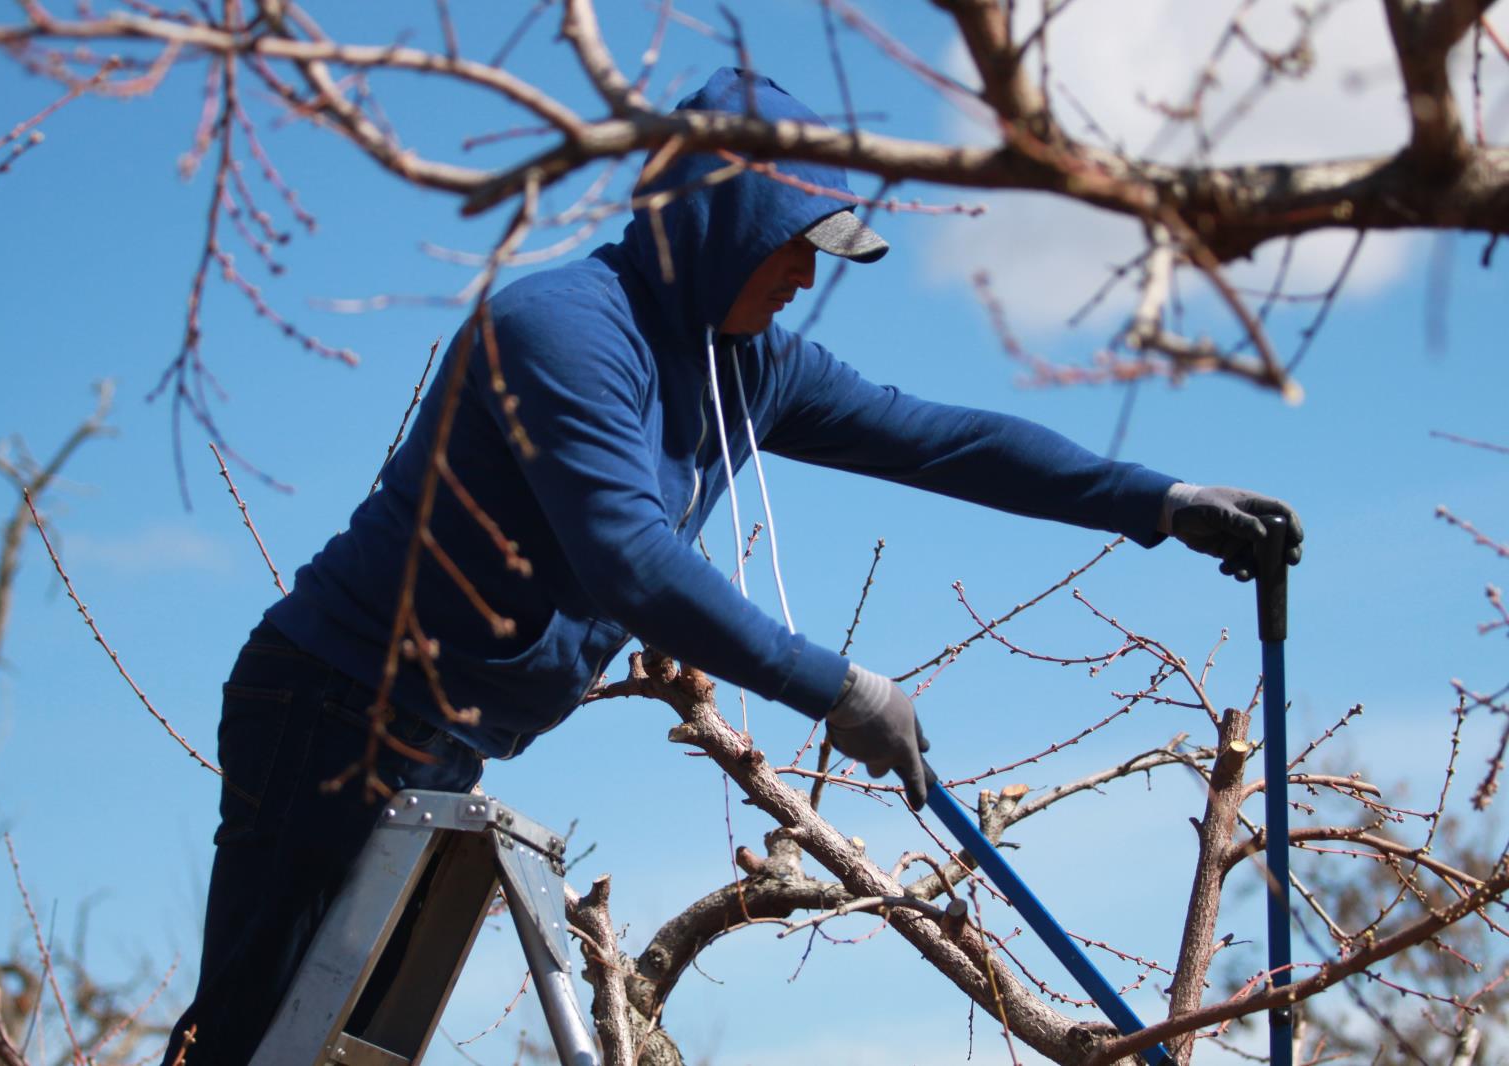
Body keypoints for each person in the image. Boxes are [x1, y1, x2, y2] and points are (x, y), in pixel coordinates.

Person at [163, 68, 1303, 1064]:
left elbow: (942, 439)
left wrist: (1158, 501)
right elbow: (630, 563)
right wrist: (838, 688)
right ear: (719, 223)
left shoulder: (745, 364)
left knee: (339, 1048)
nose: (807, 277)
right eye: (792, 245)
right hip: (332, 707)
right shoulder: (563, 329)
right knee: (261, 1041)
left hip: (439, 739)